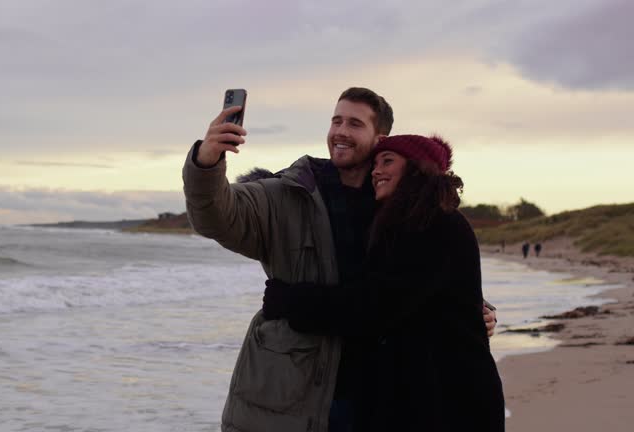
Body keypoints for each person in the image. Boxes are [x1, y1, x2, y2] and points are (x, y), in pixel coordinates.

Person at [182, 88, 497, 432]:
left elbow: (412, 285)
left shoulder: (402, 208)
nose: (341, 131)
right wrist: (207, 161)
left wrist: (472, 309)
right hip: (291, 394)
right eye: (336, 120)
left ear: (380, 139)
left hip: (381, 399)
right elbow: (215, 216)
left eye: (355, 123)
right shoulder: (287, 194)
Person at [263, 134, 505, 430]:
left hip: (449, 401)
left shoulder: (434, 224)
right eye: (375, 163)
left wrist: (289, 301)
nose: (376, 170)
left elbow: (372, 307)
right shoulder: (405, 221)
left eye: (388, 161)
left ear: (417, 169)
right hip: (426, 396)